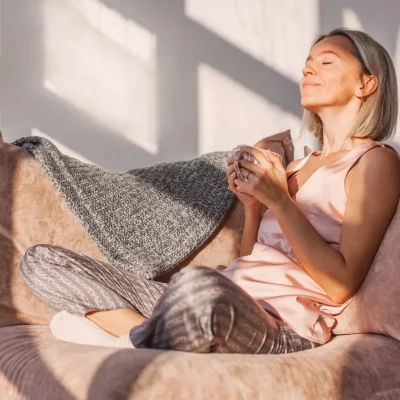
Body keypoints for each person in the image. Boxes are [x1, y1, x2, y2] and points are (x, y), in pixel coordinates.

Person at [19, 28, 400, 353]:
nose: (307, 68)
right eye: (307, 62)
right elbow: (252, 260)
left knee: (197, 285)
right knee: (42, 261)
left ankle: (133, 342)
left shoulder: (374, 161)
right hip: (226, 296)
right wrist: (253, 206)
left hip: (280, 325)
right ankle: (146, 339)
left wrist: (280, 201)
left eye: (326, 61)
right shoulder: (296, 166)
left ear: (366, 83)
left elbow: (340, 285)